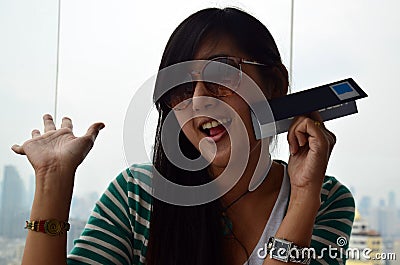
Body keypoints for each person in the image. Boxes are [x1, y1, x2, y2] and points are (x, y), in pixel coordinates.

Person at [13, 7, 355, 265]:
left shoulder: (325, 199)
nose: (198, 100)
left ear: (274, 85)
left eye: (221, 72)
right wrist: (52, 181)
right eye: (180, 88)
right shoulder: (136, 196)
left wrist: (303, 197)